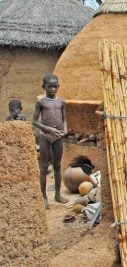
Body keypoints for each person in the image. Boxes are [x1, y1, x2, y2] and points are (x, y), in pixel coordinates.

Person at [32, 74, 69, 208]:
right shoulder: (41, 102)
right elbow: (35, 122)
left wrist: (65, 129)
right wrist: (48, 129)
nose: (53, 89)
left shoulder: (61, 102)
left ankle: (58, 195)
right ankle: (44, 197)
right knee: (43, 167)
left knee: (58, 165)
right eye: (50, 86)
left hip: (58, 136)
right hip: (45, 136)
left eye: (55, 86)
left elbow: (64, 119)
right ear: (44, 87)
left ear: (58, 86)